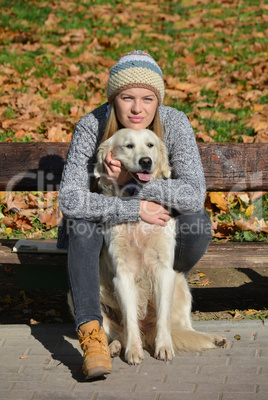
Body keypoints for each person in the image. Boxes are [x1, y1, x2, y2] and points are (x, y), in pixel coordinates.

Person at [57, 50, 212, 379]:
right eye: (127, 97)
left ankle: (161, 311)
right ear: (114, 99)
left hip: (157, 236)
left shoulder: (174, 123)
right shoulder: (91, 127)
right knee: (81, 224)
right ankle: (93, 335)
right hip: (103, 236)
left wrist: (132, 185)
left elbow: (194, 193)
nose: (137, 108)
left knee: (197, 222)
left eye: (147, 98)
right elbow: (70, 200)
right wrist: (128, 203)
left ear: (158, 101)